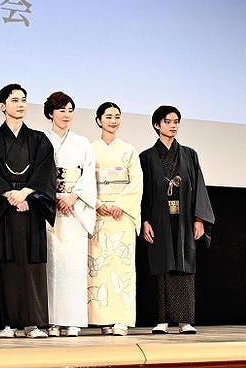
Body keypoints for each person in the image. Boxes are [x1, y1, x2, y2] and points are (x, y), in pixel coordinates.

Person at [0, 83, 56, 339]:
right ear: (2, 106)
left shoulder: (39, 139)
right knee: (7, 265)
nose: (21, 104)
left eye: (23, 100)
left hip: (32, 206)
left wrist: (26, 193)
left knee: (33, 265)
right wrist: (10, 195)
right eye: (14, 100)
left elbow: (45, 171)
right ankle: (9, 323)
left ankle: (34, 323)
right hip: (4, 209)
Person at [140, 105, 214, 335]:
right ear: (157, 125)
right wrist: (144, 220)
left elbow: (199, 186)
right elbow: (142, 192)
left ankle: (185, 321)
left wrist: (199, 218)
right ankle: (161, 320)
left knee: (184, 265)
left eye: (176, 122)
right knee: (161, 266)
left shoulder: (189, 155)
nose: (173, 126)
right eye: (168, 121)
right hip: (158, 217)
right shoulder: (146, 157)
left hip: (184, 218)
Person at [43, 91, 96, 337]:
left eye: (70, 110)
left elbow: (88, 175)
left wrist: (73, 197)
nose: (66, 115)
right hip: (51, 207)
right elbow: (38, 174)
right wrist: (53, 196)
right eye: (61, 110)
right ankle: (52, 321)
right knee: (52, 265)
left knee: (74, 265)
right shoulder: (42, 140)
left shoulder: (83, 143)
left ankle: (73, 320)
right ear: (50, 113)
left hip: (75, 209)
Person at [88, 101, 143, 336]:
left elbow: (136, 181)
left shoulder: (129, 150)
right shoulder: (90, 149)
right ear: (99, 120)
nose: (113, 121)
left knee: (122, 268)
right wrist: (97, 203)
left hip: (121, 216)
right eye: (108, 116)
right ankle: (103, 320)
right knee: (99, 267)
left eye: (117, 116)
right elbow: (84, 181)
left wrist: (121, 204)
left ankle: (121, 320)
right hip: (99, 214)